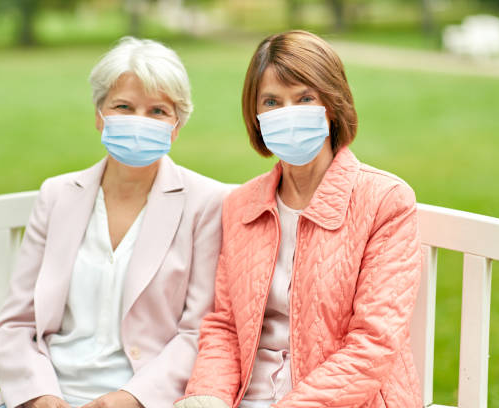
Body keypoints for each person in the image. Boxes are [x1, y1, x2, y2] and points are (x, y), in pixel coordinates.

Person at [175, 30, 422, 408]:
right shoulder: (242, 204)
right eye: (272, 101)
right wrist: (204, 396)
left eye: (305, 98)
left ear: (333, 105)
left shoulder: (385, 201)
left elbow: (374, 341)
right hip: (248, 397)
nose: (287, 113)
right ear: (256, 116)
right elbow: (226, 326)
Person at [0, 37, 229, 408]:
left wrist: (128, 398)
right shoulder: (58, 195)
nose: (139, 121)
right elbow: (16, 323)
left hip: (143, 399)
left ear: (177, 125)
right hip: (46, 395)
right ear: (99, 117)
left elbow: (200, 330)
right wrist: (41, 397)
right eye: (123, 106)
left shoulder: (206, 203)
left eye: (157, 111)